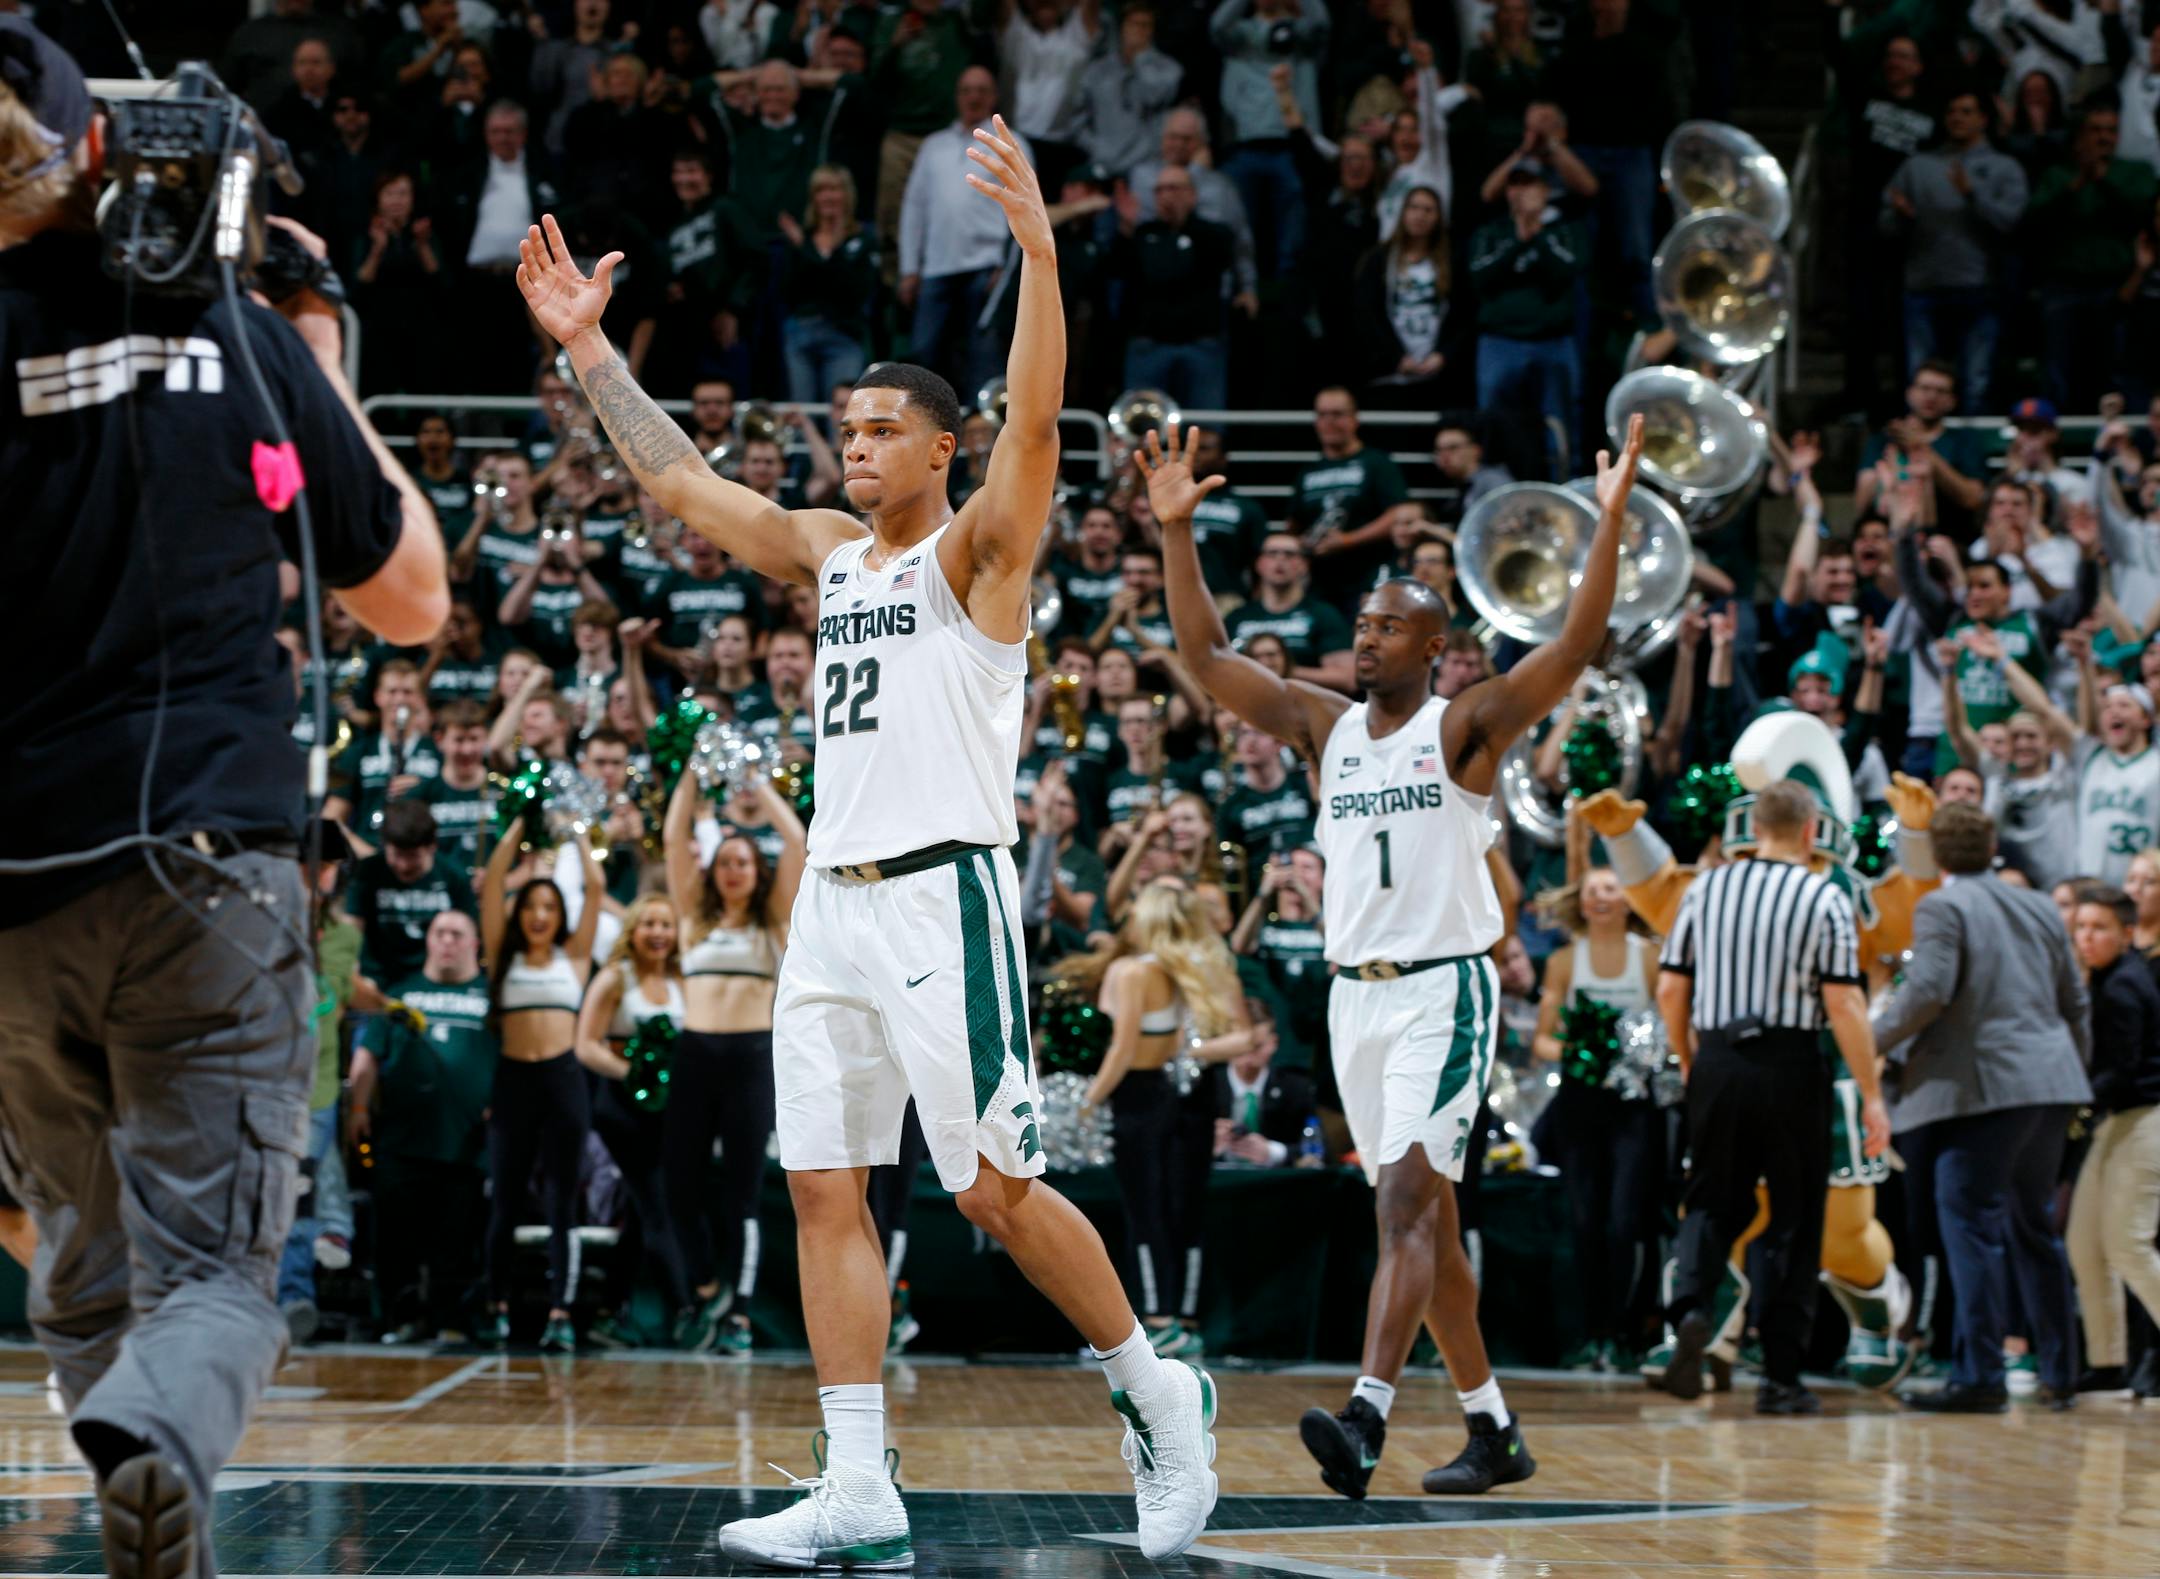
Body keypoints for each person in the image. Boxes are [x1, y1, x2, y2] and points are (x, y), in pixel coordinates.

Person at [520, 115, 1218, 1564]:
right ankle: (855, 1476)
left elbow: (1033, 425)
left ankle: (1158, 1389)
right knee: (823, 1181)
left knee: (994, 1191)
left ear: (941, 447)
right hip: (828, 906)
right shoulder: (832, 555)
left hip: (941, 901)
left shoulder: (982, 551)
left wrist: (1036, 250)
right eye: (845, 425)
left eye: (882, 425)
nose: (854, 440)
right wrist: (593, 354)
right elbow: (681, 487)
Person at [0, 26, 448, 1579]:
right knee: (214, 1280)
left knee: (82, 1259)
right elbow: (410, 595)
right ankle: (159, 1443)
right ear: (103, 156)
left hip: (15, 899)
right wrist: (308, 342)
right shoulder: (234, 330)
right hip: (207, 865)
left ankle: (142, 1503)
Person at [1149, 411, 1645, 1495]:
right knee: (1437, 1229)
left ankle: (1367, 1419)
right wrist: (1178, 533)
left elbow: (1571, 646)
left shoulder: (1466, 726)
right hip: (1354, 1004)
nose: (1364, 638)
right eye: (1362, 624)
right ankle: (1494, 1429)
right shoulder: (1323, 727)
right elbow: (1206, 656)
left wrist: (1605, 528)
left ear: (1434, 648)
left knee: (1404, 1208)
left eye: (1386, 627)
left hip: (1444, 992)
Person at [1651, 780, 1891, 1414]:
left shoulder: (1706, 887)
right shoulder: (1823, 895)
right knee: (1792, 1218)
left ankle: (1692, 1310)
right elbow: (1843, 1002)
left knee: (1708, 1202)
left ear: (1753, 828)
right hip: (1791, 1064)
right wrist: (1870, 1095)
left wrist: (1689, 1056)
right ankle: (1781, 1378)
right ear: (1812, 832)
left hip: (1720, 1060)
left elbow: (1671, 989)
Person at [1873, 804, 2092, 1411]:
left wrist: (1871, 1040)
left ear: (1936, 855)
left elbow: (1930, 990)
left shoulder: (1942, 905)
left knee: (1970, 1225)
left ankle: (1980, 1376)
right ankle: (2062, 1372)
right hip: (2051, 1082)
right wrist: (2070, 1073)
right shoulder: (2042, 904)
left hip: (1986, 1091)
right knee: (2034, 1226)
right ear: (1992, 845)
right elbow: (2074, 998)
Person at [1069, 881, 1255, 1357]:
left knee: (1146, 1214)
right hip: (1183, 1095)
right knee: (1180, 1212)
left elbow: (1123, 1048)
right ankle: (1181, 1317)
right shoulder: (1194, 968)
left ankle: (1157, 1319)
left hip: (1143, 1095)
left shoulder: (1138, 972)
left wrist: (1087, 1102)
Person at [662, 769, 807, 1354]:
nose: (733, 870)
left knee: (742, 1193)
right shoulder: (692, 921)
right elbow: (674, 839)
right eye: (724, 861)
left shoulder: (774, 925)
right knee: (678, 1188)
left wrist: (754, 784)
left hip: (751, 1057)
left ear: (756, 871)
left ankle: (741, 1314)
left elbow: (796, 840)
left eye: (743, 861)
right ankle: (704, 1286)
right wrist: (694, 777)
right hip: (695, 1054)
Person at [1530, 860, 1664, 1372]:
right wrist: (1579, 1048)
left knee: (1626, 1221)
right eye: (1593, 891)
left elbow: (1669, 1029)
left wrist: (1632, 1054)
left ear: (1628, 897)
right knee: (1585, 1221)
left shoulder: (1649, 958)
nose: (1602, 897)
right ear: (1581, 902)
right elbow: (1543, 1041)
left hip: (1633, 1107)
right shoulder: (1564, 961)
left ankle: (1629, 1333)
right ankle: (1594, 1335)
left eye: (1612, 887)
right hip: (1580, 1105)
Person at [477, 824, 605, 1353]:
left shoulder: (573, 957)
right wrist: (520, 825)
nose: (539, 915)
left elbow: (595, 887)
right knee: (504, 1200)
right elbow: (488, 889)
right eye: (531, 905)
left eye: (550, 907)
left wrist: (576, 831)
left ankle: (561, 1310)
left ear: (560, 915)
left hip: (563, 1081)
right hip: (513, 1081)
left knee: (561, 1201)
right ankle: (497, 1305)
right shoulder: (498, 954)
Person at [349, 908, 495, 1345]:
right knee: (396, 1237)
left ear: (475, 944)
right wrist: (358, 1109)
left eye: (457, 933)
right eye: (439, 933)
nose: (447, 941)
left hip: (465, 1142)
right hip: (401, 1138)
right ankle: (398, 1318)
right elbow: (369, 1055)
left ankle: (450, 1319)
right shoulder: (401, 993)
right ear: (428, 941)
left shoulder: (490, 996)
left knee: (457, 1237)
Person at [573, 894, 692, 1349]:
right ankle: (686, 1311)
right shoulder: (614, 978)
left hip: (670, 1112)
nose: (659, 933)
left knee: (646, 1213)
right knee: (655, 1201)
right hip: (621, 1108)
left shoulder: (682, 979)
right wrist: (635, 1076)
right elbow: (585, 1044)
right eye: (649, 924)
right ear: (632, 931)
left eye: (666, 924)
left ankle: (608, 1310)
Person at [2065, 883, 2160, 1396]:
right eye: (2081, 927)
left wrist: (2068, 1099)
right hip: (2116, 1121)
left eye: (2099, 928)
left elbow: (2119, 1074)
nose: (2087, 937)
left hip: (2145, 1120)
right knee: (2084, 1243)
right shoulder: (2105, 979)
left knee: (2128, 1245)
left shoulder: (2124, 986)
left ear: (2127, 933)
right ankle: (2108, 1364)